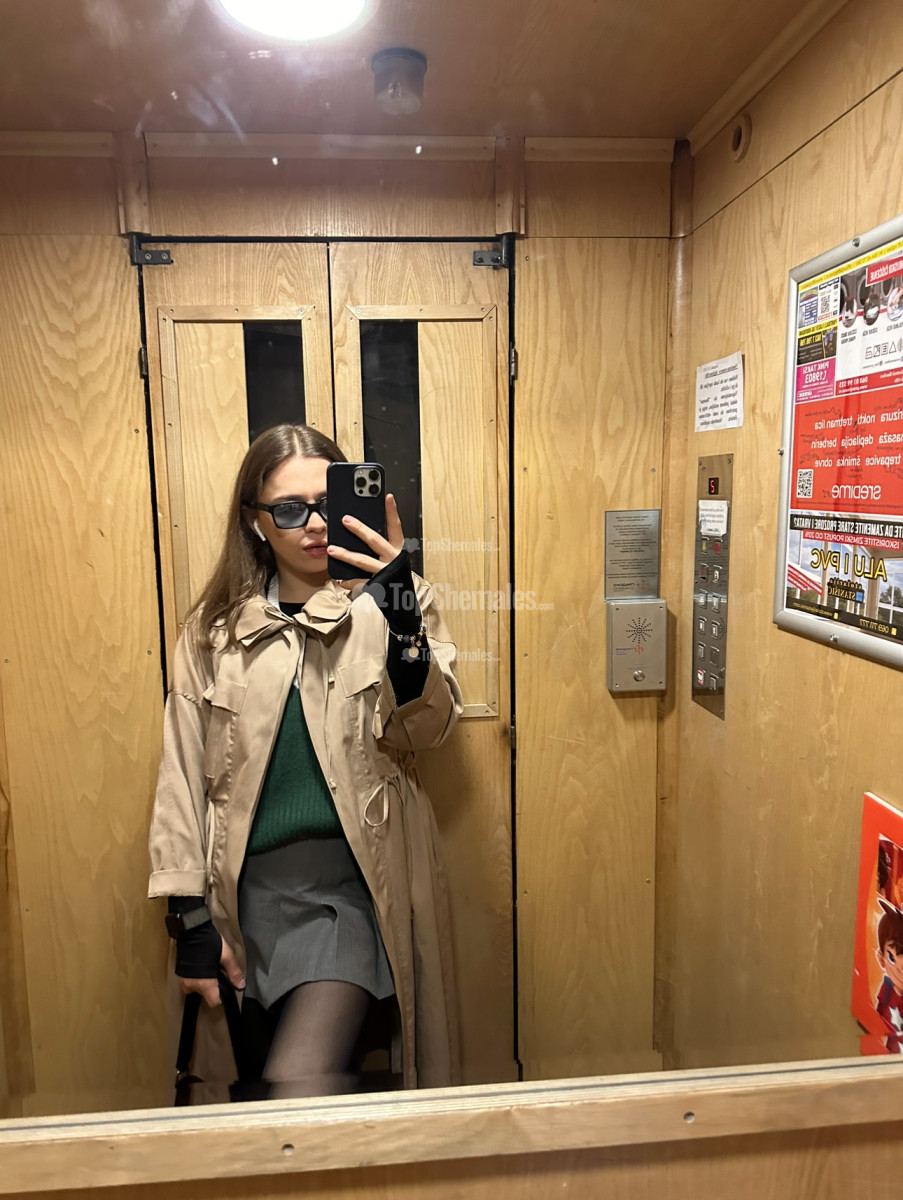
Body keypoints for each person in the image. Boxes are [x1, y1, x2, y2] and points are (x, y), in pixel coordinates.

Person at [148, 423, 463, 1096]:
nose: (317, 524)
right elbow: (181, 772)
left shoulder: (396, 602)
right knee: (248, 1096)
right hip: (242, 899)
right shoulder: (213, 634)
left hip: (349, 890)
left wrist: (398, 607)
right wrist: (190, 918)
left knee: (296, 1086)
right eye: (290, 509)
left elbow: (429, 731)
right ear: (256, 522)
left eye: (330, 502)